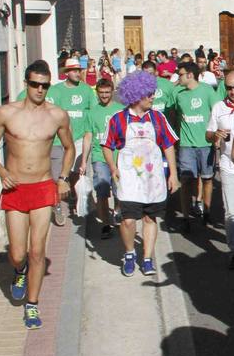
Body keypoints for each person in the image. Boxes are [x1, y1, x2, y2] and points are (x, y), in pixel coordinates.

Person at [0, 61, 74, 330]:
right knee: (18, 253)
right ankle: (18, 272)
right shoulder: (7, 113)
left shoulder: (57, 115)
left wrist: (64, 178)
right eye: (35, 84)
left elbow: (69, 148)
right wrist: (1, 171)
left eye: (45, 85)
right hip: (16, 188)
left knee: (37, 251)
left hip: (43, 187)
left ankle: (32, 305)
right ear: (26, 83)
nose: (40, 89)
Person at [103, 71, 180, 277]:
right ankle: (129, 253)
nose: (153, 97)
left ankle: (147, 258)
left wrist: (173, 174)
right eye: (149, 94)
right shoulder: (118, 119)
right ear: (137, 96)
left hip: (152, 179)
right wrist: (113, 168)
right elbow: (107, 145)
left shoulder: (157, 118)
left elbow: (169, 145)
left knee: (149, 219)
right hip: (129, 180)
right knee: (128, 221)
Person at [18, 57, 97, 226]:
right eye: (35, 82)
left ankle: (58, 205)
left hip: (54, 143)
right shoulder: (21, 96)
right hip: (30, 148)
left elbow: (61, 116)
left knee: (56, 178)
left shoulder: (54, 93)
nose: (40, 88)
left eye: (44, 81)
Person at [207, 69, 234, 269]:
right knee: (231, 212)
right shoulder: (218, 107)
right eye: (229, 88)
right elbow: (208, 134)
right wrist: (215, 134)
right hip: (228, 165)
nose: (232, 91)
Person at [173, 62, 219, 229]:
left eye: (181, 74)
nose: (179, 77)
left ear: (190, 75)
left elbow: (217, 112)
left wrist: (216, 135)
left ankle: (206, 212)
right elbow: (175, 116)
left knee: (207, 179)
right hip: (186, 145)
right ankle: (186, 217)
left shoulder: (207, 90)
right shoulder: (179, 95)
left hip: (206, 144)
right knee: (186, 181)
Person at [80, 77, 124, 238]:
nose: (104, 96)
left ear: (112, 92)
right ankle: (105, 224)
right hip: (99, 157)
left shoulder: (121, 110)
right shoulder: (91, 113)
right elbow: (88, 137)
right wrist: (84, 161)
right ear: (97, 93)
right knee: (102, 191)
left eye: (107, 92)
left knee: (119, 190)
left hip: (119, 156)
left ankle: (118, 210)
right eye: (101, 93)